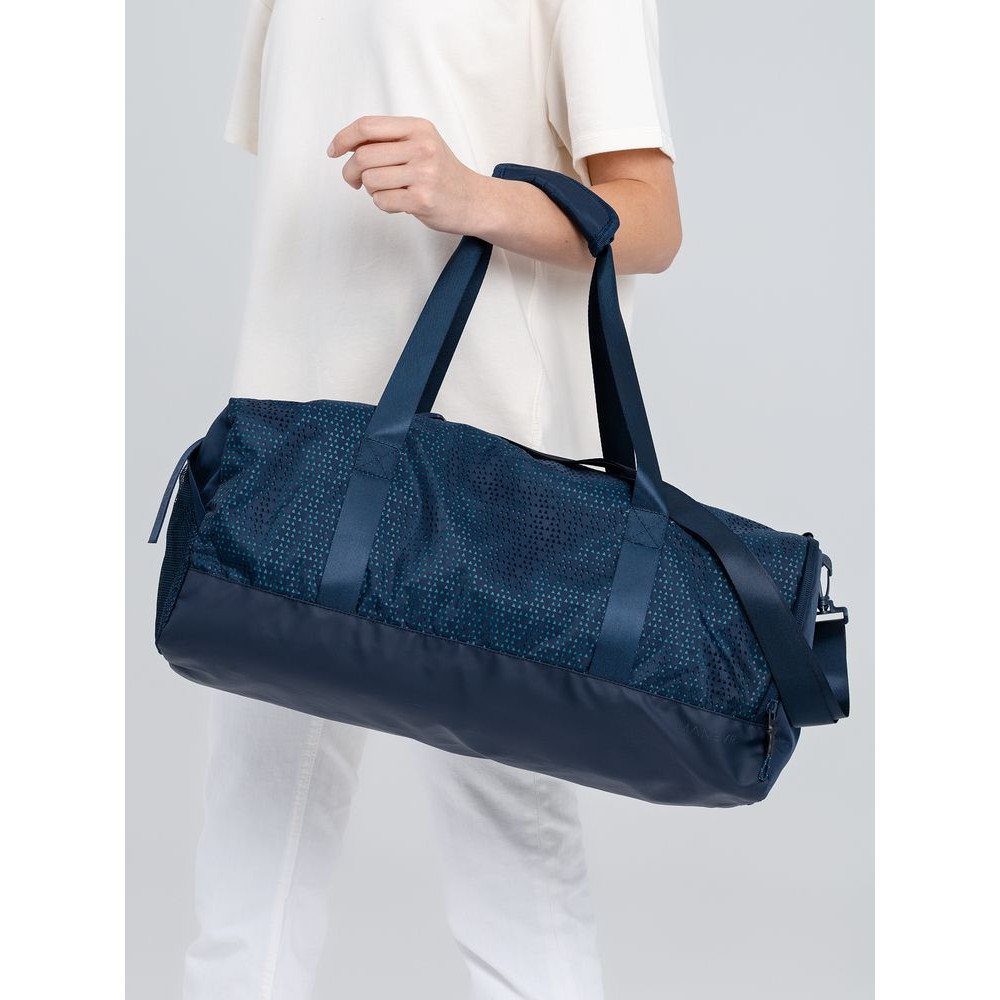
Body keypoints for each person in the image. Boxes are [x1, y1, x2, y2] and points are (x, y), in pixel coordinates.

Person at [183, 1, 681, 997]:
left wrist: (474, 195)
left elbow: (653, 219)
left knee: (510, 863)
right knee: (247, 867)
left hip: (480, 466)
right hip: (291, 448)